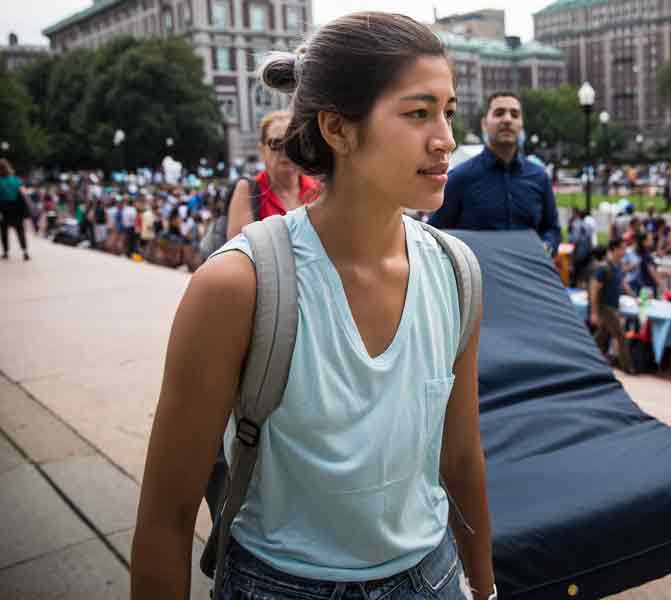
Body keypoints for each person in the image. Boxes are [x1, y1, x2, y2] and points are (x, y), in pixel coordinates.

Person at [133, 13, 495, 600]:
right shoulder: (236, 285)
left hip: (433, 578)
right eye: (418, 112)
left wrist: (485, 587)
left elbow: (461, 460)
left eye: (448, 112)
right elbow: (166, 516)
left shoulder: (458, 272)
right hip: (276, 583)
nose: (446, 138)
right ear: (338, 129)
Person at [429, 91, 560, 255]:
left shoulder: (540, 177)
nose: (507, 119)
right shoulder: (459, 178)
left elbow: (552, 229)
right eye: (499, 113)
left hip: (528, 276)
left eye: (514, 114)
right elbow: (436, 234)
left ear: (521, 124)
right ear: (484, 124)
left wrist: (548, 246)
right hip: (479, 278)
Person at [226, 110, 321, 240]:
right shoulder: (249, 190)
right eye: (276, 143)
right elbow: (239, 251)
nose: (286, 150)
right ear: (262, 150)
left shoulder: (318, 189)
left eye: (293, 142)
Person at [590, 238, 636, 374]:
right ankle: (627, 367)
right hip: (605, 307)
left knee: (601, 336)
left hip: (613, 306)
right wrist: (594, 312)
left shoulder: (617, 266)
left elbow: (622, 283)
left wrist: (635, 297)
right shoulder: (604, 267)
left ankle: (585, 356)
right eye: (622, 248)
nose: (624, 251)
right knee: (621, 336)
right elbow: (594, 289)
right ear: (614, 249)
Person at [0, 159, 29, 261]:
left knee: (4, 231)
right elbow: (24, 193)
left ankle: (6, 252)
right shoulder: (15, 179)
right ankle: (25, 251)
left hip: (4, 208)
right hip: (16, 208)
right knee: (20, 230)